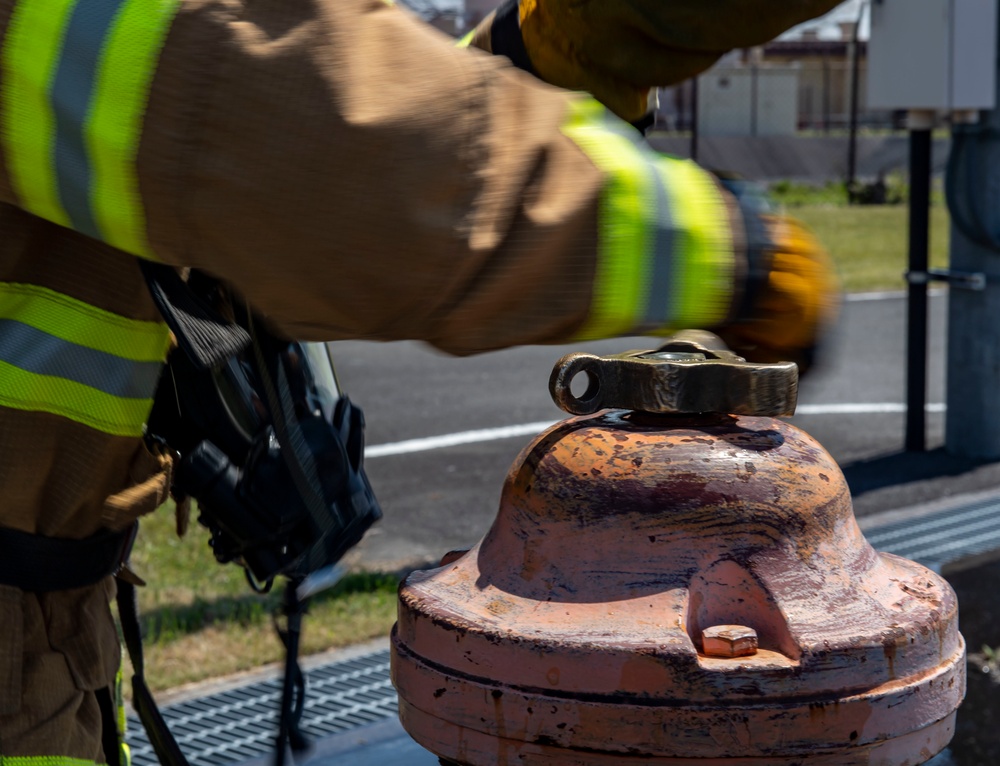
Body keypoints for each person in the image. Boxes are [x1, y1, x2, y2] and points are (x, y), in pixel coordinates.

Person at [0, 0, 839, 762]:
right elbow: (296, 143)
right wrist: (734, 252)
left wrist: (525, 67)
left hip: (44, 647)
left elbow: (240, 151)